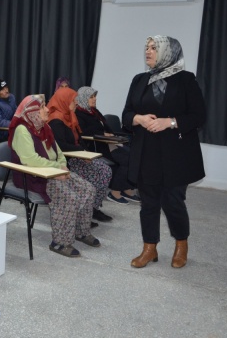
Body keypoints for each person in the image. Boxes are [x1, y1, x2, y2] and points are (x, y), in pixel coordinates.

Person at [122, 35, 206, 269]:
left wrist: (169, 122)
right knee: (148, 203)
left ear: (169, 52)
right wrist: (138, 119)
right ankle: (150, 248)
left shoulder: (186, 80)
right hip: (146, 152)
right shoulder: (140, 80)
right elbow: (126, 114)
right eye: (146, 47)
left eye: (154, 48)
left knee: (173, 201)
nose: (148, 51)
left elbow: (199, 116)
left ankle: (181, 245)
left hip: (176, 154)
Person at [10, 95, 100, 258]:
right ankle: (60, 242)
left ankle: (81, 231)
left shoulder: (45, 127)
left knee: (88, 189)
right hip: (33, 175)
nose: (47, 109)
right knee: (68, 197)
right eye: (42, 107)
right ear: (31, 112)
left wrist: (61, 166)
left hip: (53, 171)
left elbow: (59, 153)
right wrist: (57, 168)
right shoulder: (22, 130)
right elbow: (30, 160)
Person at [47, 87, 114, 223]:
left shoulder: (70, 115)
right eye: (73, 100)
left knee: (105, 171)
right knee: (99, 173)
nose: (76, 102)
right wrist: (81, 152)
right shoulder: (56, 120)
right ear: (65, 101)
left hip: (77, 155)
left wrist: (85, 152)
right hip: (66, 160)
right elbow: (60, 145)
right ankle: (84, 212)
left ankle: (92, 209)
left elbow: (79, 138)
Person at [75, 86, 139, 203]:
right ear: (83, 98)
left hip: (108, 143)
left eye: (95, 96)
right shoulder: (78, 113)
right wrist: (103, 134)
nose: (94, 99)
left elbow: (106, 127)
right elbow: (84, 132)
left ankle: (127, 189)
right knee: (126, 158)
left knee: (133, 156)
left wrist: (112, 135)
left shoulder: (95, 112)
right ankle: (115, 192)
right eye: (91, 97)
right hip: (96, 146)